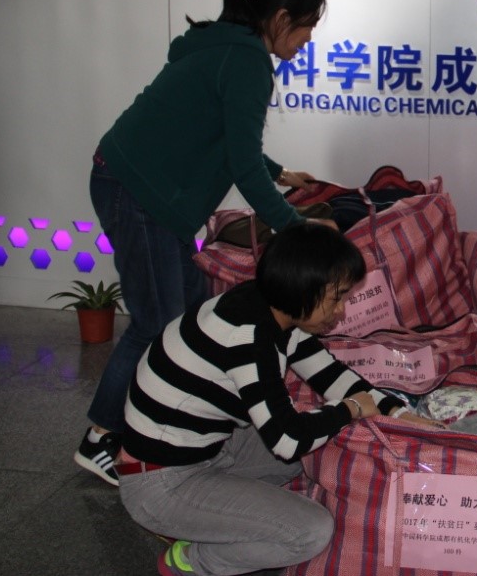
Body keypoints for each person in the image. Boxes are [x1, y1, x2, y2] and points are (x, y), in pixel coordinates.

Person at [76, 0, 336, 485]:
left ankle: (183, 421)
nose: (309, 39)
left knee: (191, 313)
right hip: (138, 189)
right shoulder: (246, 61)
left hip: (143, 187)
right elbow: (241, 164)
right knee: (156, 322)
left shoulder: (229, 46)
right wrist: (297, 230)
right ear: (281, 18)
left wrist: (281, 173)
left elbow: (226, 139)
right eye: (307, 25)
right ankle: (101, 437)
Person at [117, 223, 442, 576]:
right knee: (310, 531)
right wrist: (349, 410)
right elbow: (287, 440)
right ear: (302, 290)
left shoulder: (272, 307)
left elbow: (332, 376)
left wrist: (398, 414)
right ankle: (190, 559)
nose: (342, 311)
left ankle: (215, 516)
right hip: (161, 483)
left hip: (209, 449)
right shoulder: (249, 339)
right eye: (336, 298)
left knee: (319, 445)